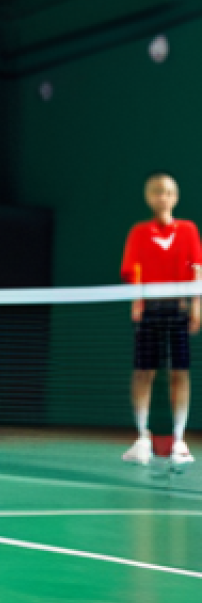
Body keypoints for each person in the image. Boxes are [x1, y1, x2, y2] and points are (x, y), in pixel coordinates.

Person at [120, 171, 201, 468]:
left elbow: (196, 266)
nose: (161, 197)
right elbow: (133, 270)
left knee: (180, 373)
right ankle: (142, 437)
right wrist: (137, 302)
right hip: (149, 311)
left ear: (175, 197)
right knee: (144, 372)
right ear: (148, 197)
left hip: (178, 310)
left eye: (167, 192)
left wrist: (197, 305)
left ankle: (179, 440)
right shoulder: (139, 232)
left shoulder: (188, 230)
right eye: (156, 191)